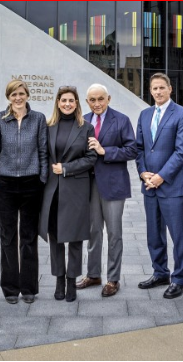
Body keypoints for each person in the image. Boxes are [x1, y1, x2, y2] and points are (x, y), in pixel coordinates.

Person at [0, 79, 49, 304]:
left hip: (32, 183)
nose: (18, 98)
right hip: (6, 184)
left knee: (28, 236)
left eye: (21, 93)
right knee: (8, 236)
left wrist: (42, 177)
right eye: (13, 94)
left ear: (27, 95)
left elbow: (43, 151)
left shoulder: (38, 119)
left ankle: (29, 287)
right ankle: (10, 288)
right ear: (8, 97)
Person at [135, 73, 183, 299]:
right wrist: (143, 173)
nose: (158, 92)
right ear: (150, 91)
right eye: (154, 88)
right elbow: (139, 148)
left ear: (170, 89)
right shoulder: (144, 114)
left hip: (173, 186)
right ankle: (160, 272)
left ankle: (179, 279)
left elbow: (182, 152)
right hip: (149, 186)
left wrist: (160, 176)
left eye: (162, 87)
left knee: (179, 235)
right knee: (154, 235)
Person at [77, 83, 137, 297]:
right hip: (88, 185)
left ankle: (113, 279)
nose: (97, 103)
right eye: (92, 100)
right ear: (87, 102)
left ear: (108, 99)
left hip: (113, 185)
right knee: (93, 232)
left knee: (114, 233)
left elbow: (132, 150)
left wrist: (105, 151)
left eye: (100, 99)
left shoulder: (121, 120)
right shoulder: (81, 120)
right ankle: (93, 275)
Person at [39, 86, 97, 302]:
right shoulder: (48, 126)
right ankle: (59, 280)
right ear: (57, 102)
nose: (67, 104)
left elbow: (91, 158)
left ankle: (72, 281)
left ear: (77, 103)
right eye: (64, 100)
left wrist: (66, 168)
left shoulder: (86, 127)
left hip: (76, 190)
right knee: (55, 237)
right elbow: (43, 155)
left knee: (74, 238)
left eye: (71, 100)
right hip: (52, 190)